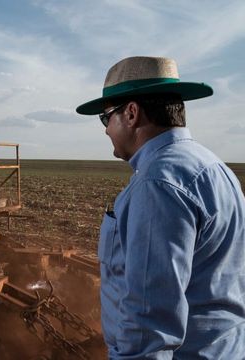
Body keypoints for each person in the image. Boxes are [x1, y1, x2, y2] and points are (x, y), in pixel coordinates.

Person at [76, 56, 245, 358]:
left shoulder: (158, 183)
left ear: (131, 114)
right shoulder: (215, 167)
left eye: (106, 118)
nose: (105, 130)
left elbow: (149, 320)